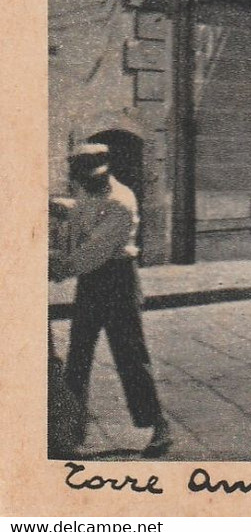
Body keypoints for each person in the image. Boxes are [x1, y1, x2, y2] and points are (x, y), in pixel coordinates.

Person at [50, 143, 172, 457]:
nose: (87, 184)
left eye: (92, 178)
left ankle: (158, 425)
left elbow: (95, 251)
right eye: (84, 179)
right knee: (78, 356)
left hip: (118, 278)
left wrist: (58, 268)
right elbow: (81, 209)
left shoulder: (122, 200)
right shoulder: (91, 193)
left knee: (130, 356)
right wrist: (57, 206)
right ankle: (69, 432)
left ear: (106, 170)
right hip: (92, 283)